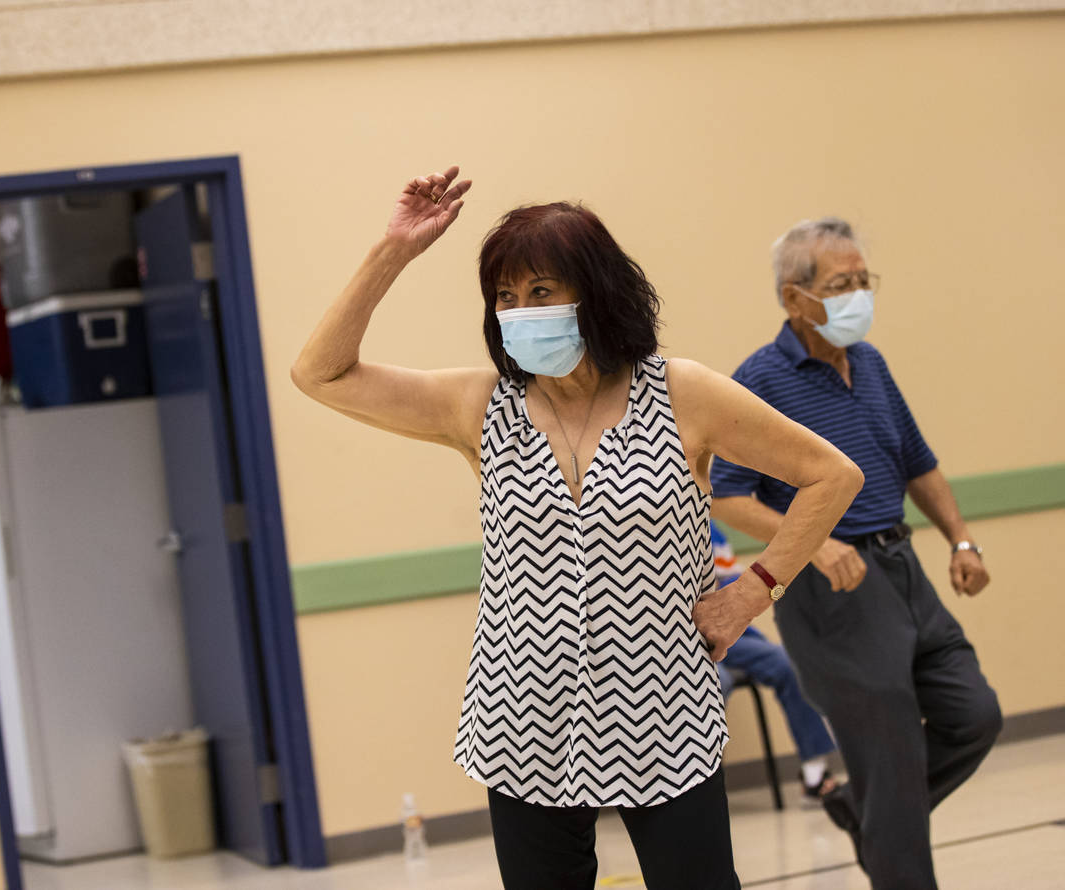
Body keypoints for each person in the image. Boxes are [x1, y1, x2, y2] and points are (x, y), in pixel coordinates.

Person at [291, 167, 863, 890]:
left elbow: (831, 476)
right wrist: (394, 251)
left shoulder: (682, 393)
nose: (521, 310)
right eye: (506, 296)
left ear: (593, 295)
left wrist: (754, 589)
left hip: (664, 712)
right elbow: (321, 374)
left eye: (541, 292)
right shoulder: (478, 405)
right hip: (522, 719)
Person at [709, 217, 1002, 889]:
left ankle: (858, 807)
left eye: (863, 281)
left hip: (903, 569)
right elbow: (727, 495)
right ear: (794, 298)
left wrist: (962, 538)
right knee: (892, 758)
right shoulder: (760, 378)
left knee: (975, 716)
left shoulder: (869, 365)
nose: (858, 296)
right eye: (842, 284)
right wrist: (816, 545)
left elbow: (920, 464)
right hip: (834, 592)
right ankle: (887, 836)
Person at [709, 521, 839, 802]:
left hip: (731, 633)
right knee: (717, 681)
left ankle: (814, 775)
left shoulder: (712, 530)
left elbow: (735, 586)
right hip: (680, 640)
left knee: (787, 664)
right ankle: (700, 785)